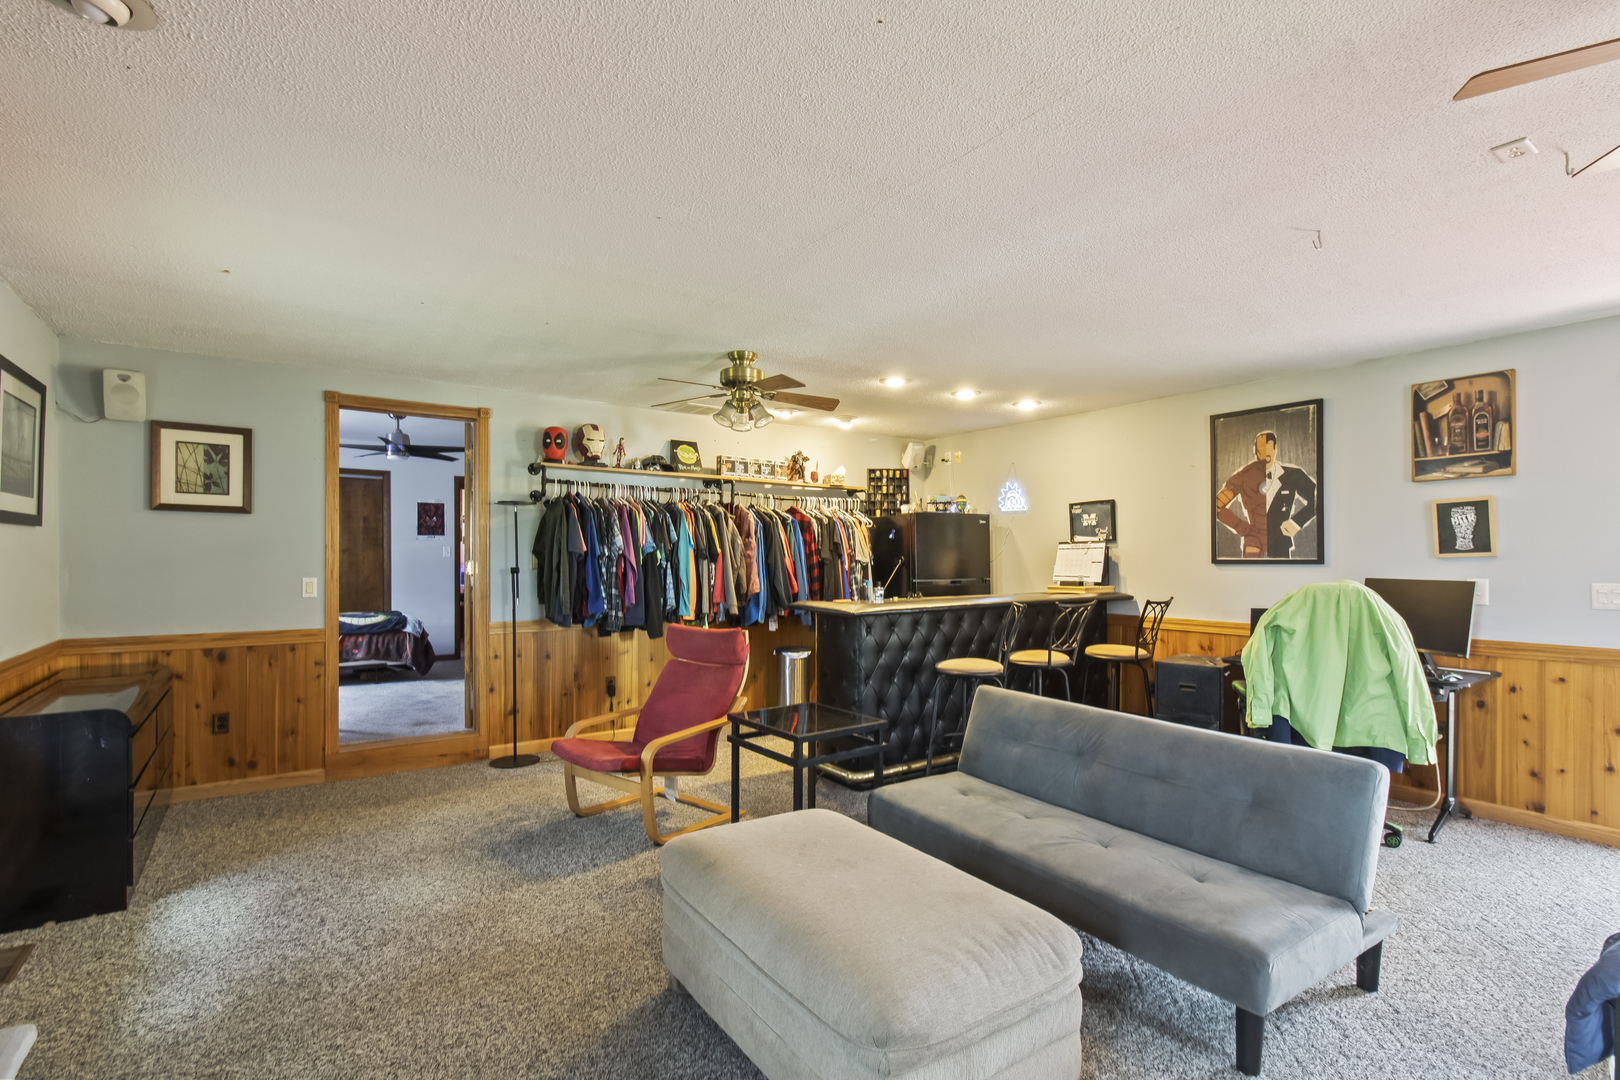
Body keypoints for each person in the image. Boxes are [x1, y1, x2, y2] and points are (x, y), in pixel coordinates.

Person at [1215, 431, 1317, 559]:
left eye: (1268, 447)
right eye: (1261, 448)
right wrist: (1240, 526)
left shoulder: (1293, 475)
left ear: (1275, 448)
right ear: (1255, 450)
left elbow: (1319, 499)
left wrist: (1296, 522)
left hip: (1280, 542)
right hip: (1253, 542)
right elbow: (1216, 505)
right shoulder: (1244, 476)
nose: (1264, 452)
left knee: (1282, 577)